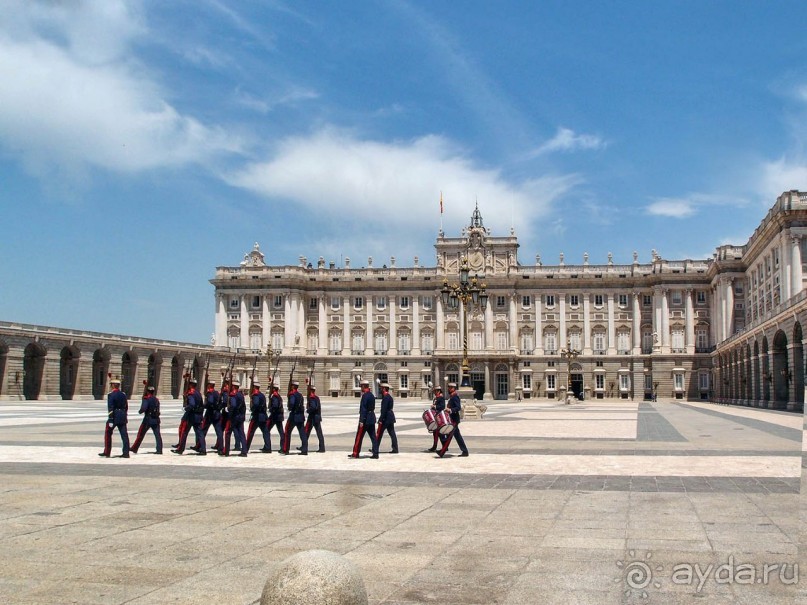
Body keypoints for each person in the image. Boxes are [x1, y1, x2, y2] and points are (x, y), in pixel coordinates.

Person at [173, 379, 206, 455]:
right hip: (198, 416)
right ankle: (203, 449)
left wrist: (186, 408)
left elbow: (192, 404)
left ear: (190, 385)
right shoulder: (198, 393)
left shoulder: (191, 393)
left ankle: (181, 449)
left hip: (191, 416)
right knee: (200, 433)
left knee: (184, 432)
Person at [99, 378, 130, 458]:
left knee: (108, 433)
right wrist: (124, 414)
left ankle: (107, 451)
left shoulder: (111, 395)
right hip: (122, 416)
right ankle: (126, 453)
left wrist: (110, 419)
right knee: (124, 435)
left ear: (112, 385)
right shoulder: (123, 394)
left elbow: (110, 407)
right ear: (118, 386)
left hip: (114, 416)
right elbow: (126, 406)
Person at [437, 383, 469, 458]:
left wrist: (450, 410)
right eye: (448, 387)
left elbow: (458, 407)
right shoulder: (451, 397)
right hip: (452, 419)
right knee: (455, 436)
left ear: (454, 388)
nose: (449, 389)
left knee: (449, 436)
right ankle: (464, 451)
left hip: (454, 419)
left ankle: (442, 451)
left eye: (450, 387)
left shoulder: (455, 397)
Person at [349, 379, 378, 459]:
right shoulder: (372, 395)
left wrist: (362, 420)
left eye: (361, 386)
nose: (360, 388)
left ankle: (355, 453)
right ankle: (376, 453)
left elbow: (363, 408)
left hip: (365, 420)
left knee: (359, 436)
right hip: (371, 418)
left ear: (363, 386)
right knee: (373, 437)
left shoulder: (365, 396)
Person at [130, 385, 162, 454]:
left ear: (147, 392)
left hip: (148, 419)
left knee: (140, 434)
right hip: (156, 419)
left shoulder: (146, 399)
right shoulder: (156, 399)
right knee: (157, 435)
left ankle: (135, 448)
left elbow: (144, 408)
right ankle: (159, 449)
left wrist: (140, 411)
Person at [194, 381, 221, 452]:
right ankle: (221, 447)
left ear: (209, 385)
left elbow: (210, 402)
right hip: (217, 413)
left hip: (210, 414)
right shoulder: (216, 393)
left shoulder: (210, 393)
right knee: (219, 432)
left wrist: (204, 406)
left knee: (202, 431)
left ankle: (200, 446)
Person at [281, 381, 308, 455]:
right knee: (302, 433)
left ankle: (286, 449)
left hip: (294, 416)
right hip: (300, 416)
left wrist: (290, 407)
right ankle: (305, 449)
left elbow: (292, 403)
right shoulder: (300, 395)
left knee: (287, 431)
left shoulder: (292, 394)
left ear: (293, 386)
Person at [223, 381, 248, 457]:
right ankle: (244, 451)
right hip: (240, 417)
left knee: (227, 433)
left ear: (233, 386)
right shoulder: (240, 395)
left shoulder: (233, 395)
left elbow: (233, 405)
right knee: (241, 433)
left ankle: (226, 451)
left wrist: (229, 410)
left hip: (234, 417)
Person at [246, 382, 272, 453]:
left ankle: (246, 447)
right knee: (265, 432)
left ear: (254, 387)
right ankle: (268, 447)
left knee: (250, 432)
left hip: (257, 416)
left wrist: (253, 409)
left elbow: (256, 404)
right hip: (263, 416)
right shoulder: (262, 395)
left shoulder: (256, 395)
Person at [376, 382, 398, 454]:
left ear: (384, 389)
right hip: (390, 417)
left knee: (379, 433)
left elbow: (384, 410)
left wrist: (380, 419)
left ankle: (375, 448)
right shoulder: (389, 397)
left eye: (381, 388)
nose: (381, 390)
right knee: (392, 433)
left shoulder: (385, 398)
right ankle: (395, 448)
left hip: (386, 418)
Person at [424, 386, 446, 453]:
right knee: (435, 432)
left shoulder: (441, 398)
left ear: (439, 391)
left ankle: (444, 446)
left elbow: (442, 406)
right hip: (435, 416)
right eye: (434, 391)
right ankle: (435, 446)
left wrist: (435, 406)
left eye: (436, 391)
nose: (435, 392)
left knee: (440, 433)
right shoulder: (436, 398)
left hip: (439, 416)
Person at [304, 385, 325, 453]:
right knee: (319, 433)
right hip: (317, 417)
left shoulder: (312, 398)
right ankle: (322, 448)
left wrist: (308, 410)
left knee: (306, 432)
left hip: (312, 418)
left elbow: (313, 407)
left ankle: (304, 447)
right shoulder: (316, 397)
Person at [268, 384, 284, 450]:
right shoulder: (278, 396)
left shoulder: (274, 396)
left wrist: (271, 409)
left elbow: (275, 405)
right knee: (281, 432)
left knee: (266, 430)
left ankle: (267, 446)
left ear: (274, 389)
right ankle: (283, 446)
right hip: (278, 415)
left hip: (275, 416)